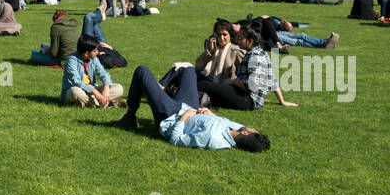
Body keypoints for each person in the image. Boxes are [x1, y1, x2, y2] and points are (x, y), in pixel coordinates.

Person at [109, 65, 271, 151]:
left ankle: (130, 117)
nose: (252, 127)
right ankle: (162, 90)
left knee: (141, 71)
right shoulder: (236, 131)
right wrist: (210, 113)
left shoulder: (212, 138)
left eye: (253, 130)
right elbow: (221, 121)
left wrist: (184, 117)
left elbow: (176, 139)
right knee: (188, 71)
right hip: (191, 108)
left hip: (172, 116)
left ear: (245, 133)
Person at [203, 20, 297, 110]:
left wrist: (231, 82)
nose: (237, 40)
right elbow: (272, 79)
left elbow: (251, 83)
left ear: (250, 41)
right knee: (210, 86)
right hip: (245, 95)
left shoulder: (256, 56)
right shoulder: (256, 53)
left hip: (249, 100)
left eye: (240, 38)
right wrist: (282, 101)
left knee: (206, 86)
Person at [60, 34, 125, 107]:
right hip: (77, 90)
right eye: (95, 50)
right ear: (86, 53)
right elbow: (76, 82)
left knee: (119, 88)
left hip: (92, 91)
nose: (97, 52)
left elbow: (103, 74)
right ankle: (110, 103)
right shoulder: (71, 60)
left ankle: (85, 103)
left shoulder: (94, 59)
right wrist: (95, 93)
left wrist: (106, 89)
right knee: (75, 91)